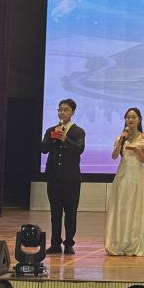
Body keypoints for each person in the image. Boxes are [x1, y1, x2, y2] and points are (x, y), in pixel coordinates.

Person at [104, 107, 144, 256]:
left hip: (137, 177)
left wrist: (136, 150)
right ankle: (120, 242)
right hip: (123, 176)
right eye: (128, 117)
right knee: (122, 208)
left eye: (134, 117)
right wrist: (121, 141)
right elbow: (114, 156)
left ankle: (136, 242)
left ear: (139, 120)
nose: (130, 120)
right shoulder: (120, 137)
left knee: (136, 209)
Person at [40, 98, 85, 254]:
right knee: (55, 212)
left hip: (71, 178)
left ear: (72, 112)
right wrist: (53, 137)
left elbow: (79, 149)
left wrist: (64, 138)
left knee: (70, 212)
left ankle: (69, 243)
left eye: (66, 110)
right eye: (60, 109)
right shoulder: (51, 130)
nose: (62, 112)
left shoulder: (78, 131)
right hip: (54, 177)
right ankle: (55, 243)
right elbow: (43, 149)